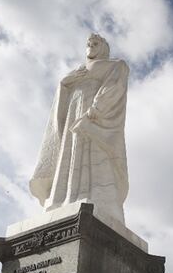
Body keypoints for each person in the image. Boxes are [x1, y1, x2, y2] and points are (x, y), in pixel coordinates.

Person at [30, 34, 130, 225]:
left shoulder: (115, 65)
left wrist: (95, 111)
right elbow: (63, 96)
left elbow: (114, 86)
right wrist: (65, 82)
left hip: (94, 120)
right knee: (70, 155)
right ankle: (63, 199)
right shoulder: (77, 71)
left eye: (95, 44)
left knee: (94, 155)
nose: (91, 46)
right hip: (73, 115)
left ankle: (100, 201)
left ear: (103, 47)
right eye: (88, 44)